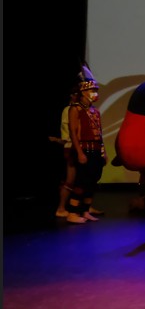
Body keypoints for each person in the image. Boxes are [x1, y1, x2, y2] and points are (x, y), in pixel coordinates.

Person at [66, 65, 107, 224]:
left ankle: (85, 210)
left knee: (92, 181)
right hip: (84, 149)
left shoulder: (95, 111)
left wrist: (103, 152)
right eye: (92, 90)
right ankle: (72, 212)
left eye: (96, 90)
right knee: (81, 182)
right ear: (83, 92)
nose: (95, 93)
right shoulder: (75, 110)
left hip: (95, 150)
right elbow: (73, 132)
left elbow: (100, 133)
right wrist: (79, 152)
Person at [51, 88, 80, 218]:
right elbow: (67, 134)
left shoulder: (81, 110)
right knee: (70, 180)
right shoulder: (68, 110)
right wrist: (60, 141)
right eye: (76, 94)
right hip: (71, 147)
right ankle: (61, 208)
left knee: (83, 180)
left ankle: (84, 207)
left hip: (80, 147)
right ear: (71, 96)